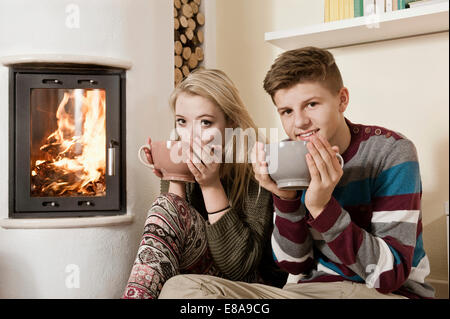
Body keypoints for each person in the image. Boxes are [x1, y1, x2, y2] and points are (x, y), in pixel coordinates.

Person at [158, 47, 435, 299]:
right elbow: (293, 264)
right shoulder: (286, 155)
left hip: (384, 294)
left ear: (342, 100)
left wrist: (323, 207)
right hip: (309, 294)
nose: (299, 122)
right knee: (180, 289)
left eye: (311, 104)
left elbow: (390, 276)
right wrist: (285, 198)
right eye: (287, 111)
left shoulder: (391, 153)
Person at [122, 68, 287, 299]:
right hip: (196, 277)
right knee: (167, 204)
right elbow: (173, 238)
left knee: (168, 206)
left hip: (250, 285)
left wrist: (210, 185)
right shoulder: (184, 156)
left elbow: (239, 267)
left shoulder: (257, 167)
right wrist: (175, 175)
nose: (190, 136)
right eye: (182, 122)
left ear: (231, 123)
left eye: (205, 123)